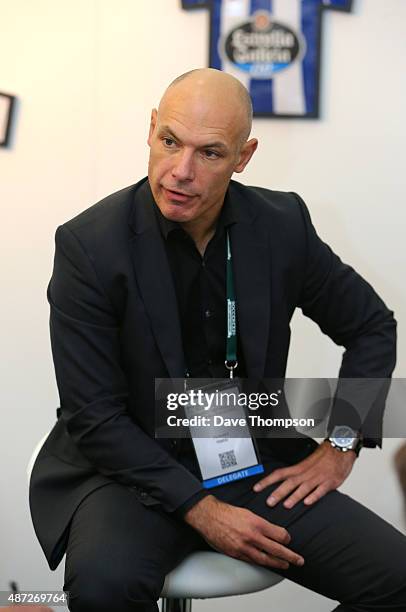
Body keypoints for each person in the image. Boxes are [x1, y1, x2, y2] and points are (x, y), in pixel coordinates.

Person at [29, 68, 406, 611]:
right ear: (152, 128)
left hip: (246, 459)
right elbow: (94, 417)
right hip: (125, 469)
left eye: (209, 153)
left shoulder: (282, 225)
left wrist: (342, 442)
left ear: (244, 156)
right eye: (170, 142)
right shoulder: (89, 245)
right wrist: (202, 510)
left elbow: (371, 325)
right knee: (103, 587)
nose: (180, 172)